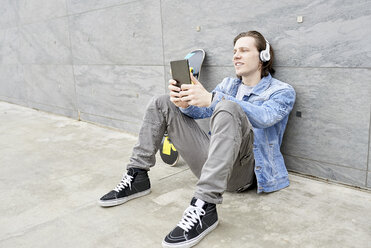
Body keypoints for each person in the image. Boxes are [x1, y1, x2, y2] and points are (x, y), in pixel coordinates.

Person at [98, 30, 296, 248]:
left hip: (244, 172)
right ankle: (137, 176)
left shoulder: (282, 91)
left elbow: (265, 118)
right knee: (162, 103)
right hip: (214, 163)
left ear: (263, 57)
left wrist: (213, 98)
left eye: (244, 50)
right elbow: (201, 112)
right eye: (234, 51)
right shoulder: (229, 85)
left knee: (228, 107)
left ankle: (205, 206)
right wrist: (185, 104)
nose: (236, 56)